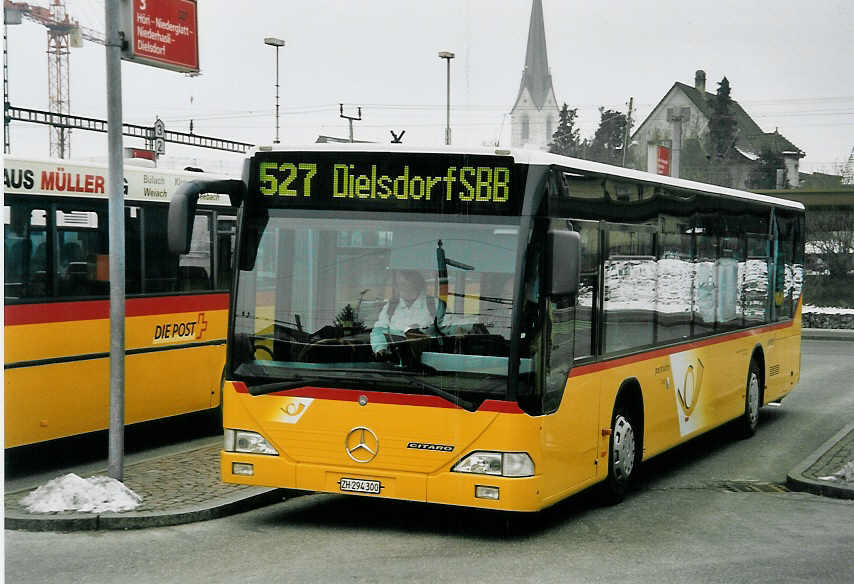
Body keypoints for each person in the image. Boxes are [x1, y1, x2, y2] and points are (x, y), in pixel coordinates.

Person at [370, 269, 437, 357]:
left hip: (428, 359)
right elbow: (379, 330)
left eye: (405, 283)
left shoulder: (434, 304)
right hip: (397, 359)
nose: (401, 286)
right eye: (399, 284)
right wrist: (380, 348)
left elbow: (449, 327)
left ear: (417, 283)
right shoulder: (391, 306)